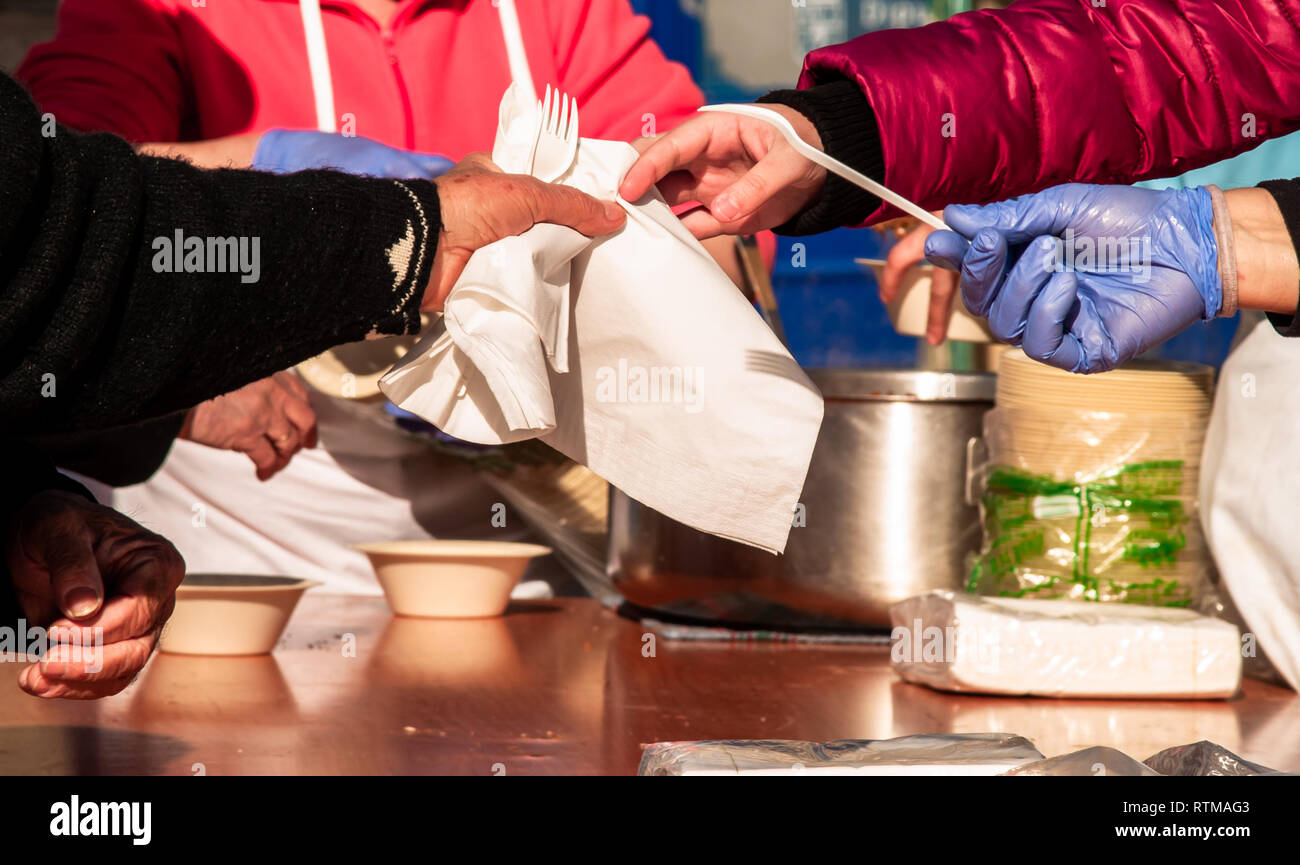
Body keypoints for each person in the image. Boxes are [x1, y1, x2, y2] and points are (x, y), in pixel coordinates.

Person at [18, 0, 761, 596]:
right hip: (244, 544)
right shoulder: (169, 10)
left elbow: (700, 222)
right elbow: (56, 198)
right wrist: (274, 168)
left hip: (513, 563)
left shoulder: (564, 12)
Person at [0, 70, 625, 699]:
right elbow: (55, 215)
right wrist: (402, 241)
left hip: (517, 577)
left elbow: (680, 213)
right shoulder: (161, 13)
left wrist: (23, 510)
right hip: (256, 538)